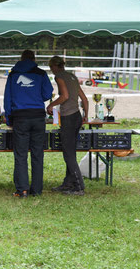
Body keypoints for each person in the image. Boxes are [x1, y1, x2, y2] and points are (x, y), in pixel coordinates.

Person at [4, 50, 53, 197]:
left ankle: (22, 189)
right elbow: (47, 94)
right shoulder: (41, 73)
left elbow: (8, 98)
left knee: (21, 154)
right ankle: (37, 190)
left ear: (21, 59)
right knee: (38, 154)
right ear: (34, 59)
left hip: (20, 117)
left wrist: (8, 119)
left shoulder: (13, 74)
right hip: (38, 116)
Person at [46, 56, 89, 196]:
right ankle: (68, 183)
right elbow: (84, 98)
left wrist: (51, 105)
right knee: (71, 151)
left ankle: (78, 186)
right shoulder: (72, 76)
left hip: (68, 117)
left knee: (68, 153)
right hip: (77, 115)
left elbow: (64, 96)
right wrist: (86, 115)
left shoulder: (59, 77)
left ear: (54, 67)